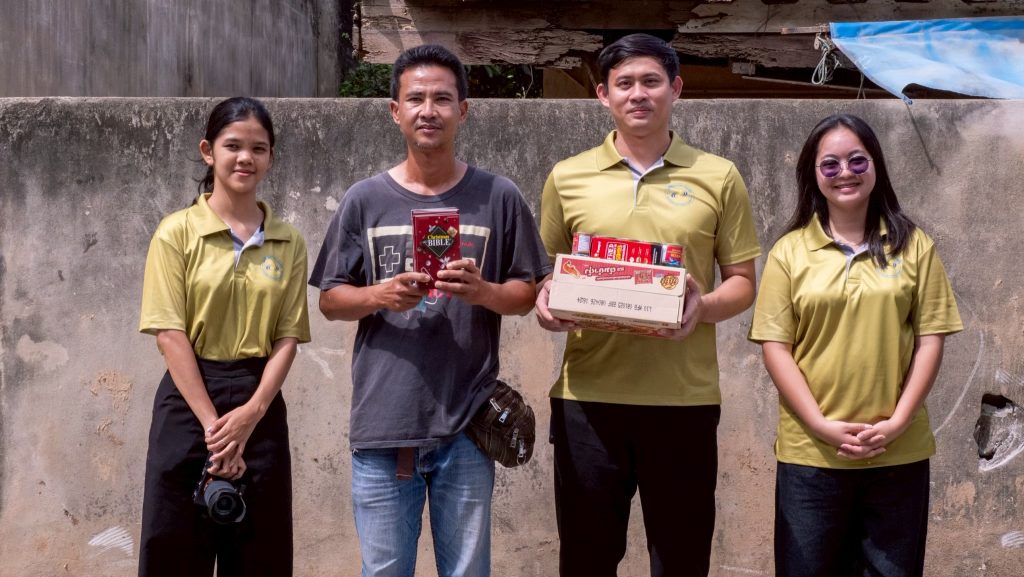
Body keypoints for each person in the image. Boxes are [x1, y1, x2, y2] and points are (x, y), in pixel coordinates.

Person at [308, 45, 550, 577]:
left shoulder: (498, 196)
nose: (428, 110)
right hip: (383, 424)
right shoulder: (364, 199)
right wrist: (381, 295)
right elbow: (329, 299)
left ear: (463, 110)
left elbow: (527, 293)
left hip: (468, 425)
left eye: (442, 98)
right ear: (395, 111)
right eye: (415, 98)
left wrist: (483, 292)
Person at [534, 33, 762, 577]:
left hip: (683, 401)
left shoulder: (718, 175)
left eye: (652, 81)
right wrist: (547, 303)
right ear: (603, 95)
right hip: (588, 400)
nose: (639, 94)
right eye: (625, 83)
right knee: (586, 560)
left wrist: (701, 308)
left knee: (681, 560)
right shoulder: (567, 176)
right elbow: (546, 273)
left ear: (675, 89)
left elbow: (743, 283)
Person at [748, 113, 963, 577]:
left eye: (857, 160)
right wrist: (819, 424)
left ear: (876, 166)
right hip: (811, 455)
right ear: (813, 175)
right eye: (830, 164)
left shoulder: (915, 246)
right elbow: (775, 347)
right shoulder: (789, 252)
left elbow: (931, 338)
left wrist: (898, 422)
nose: (844, 172)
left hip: (897, 453)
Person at [137, 97, 310, 577]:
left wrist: (251, 414)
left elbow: (289, 336)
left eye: (258, 148)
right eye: (232, 145)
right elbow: (169, 333)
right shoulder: (176, 233)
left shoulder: (288, 241)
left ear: (270, 157)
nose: (245, 158)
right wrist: (217, 432)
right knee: (174, 551)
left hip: (260, 404)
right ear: (208, 151)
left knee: (261, 555)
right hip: (189, 403)